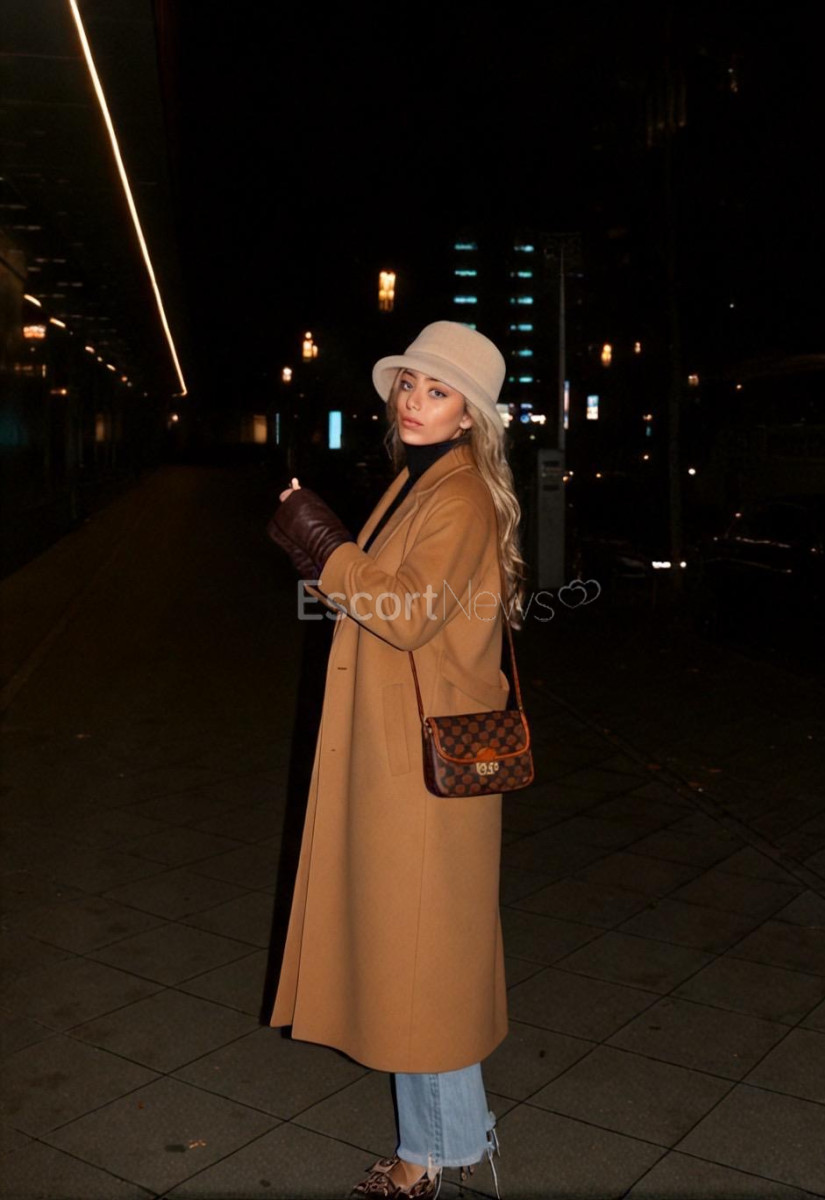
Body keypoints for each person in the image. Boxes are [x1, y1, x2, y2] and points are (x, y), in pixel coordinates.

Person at [266, 320, 526, 1199]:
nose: (414, 402)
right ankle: (450, 1139)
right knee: (422, 961)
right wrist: (331, 558)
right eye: (410, 384)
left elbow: (407, 612)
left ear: (470, 414)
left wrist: (325, 543)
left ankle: (431, 1158)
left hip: (421, 769)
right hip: (406, 756)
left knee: (424, 969)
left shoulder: (458, 496)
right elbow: (393, 599)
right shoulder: (425, 481)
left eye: (437, 391)